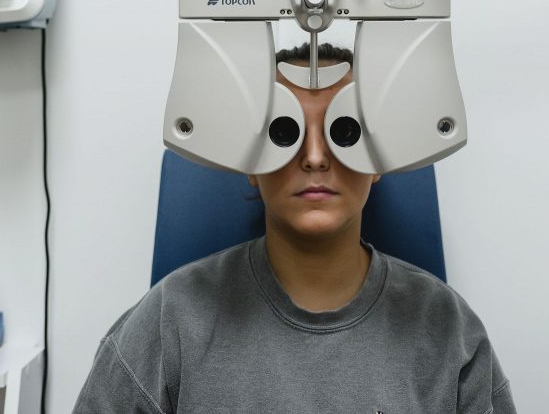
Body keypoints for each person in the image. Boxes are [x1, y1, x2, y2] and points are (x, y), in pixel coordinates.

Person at [73, 43, 516, 413]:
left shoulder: (446, 328)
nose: (316, 157)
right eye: (285, 131)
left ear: (380, 158)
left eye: (345, 131)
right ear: (248, 160)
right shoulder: (170, 320)